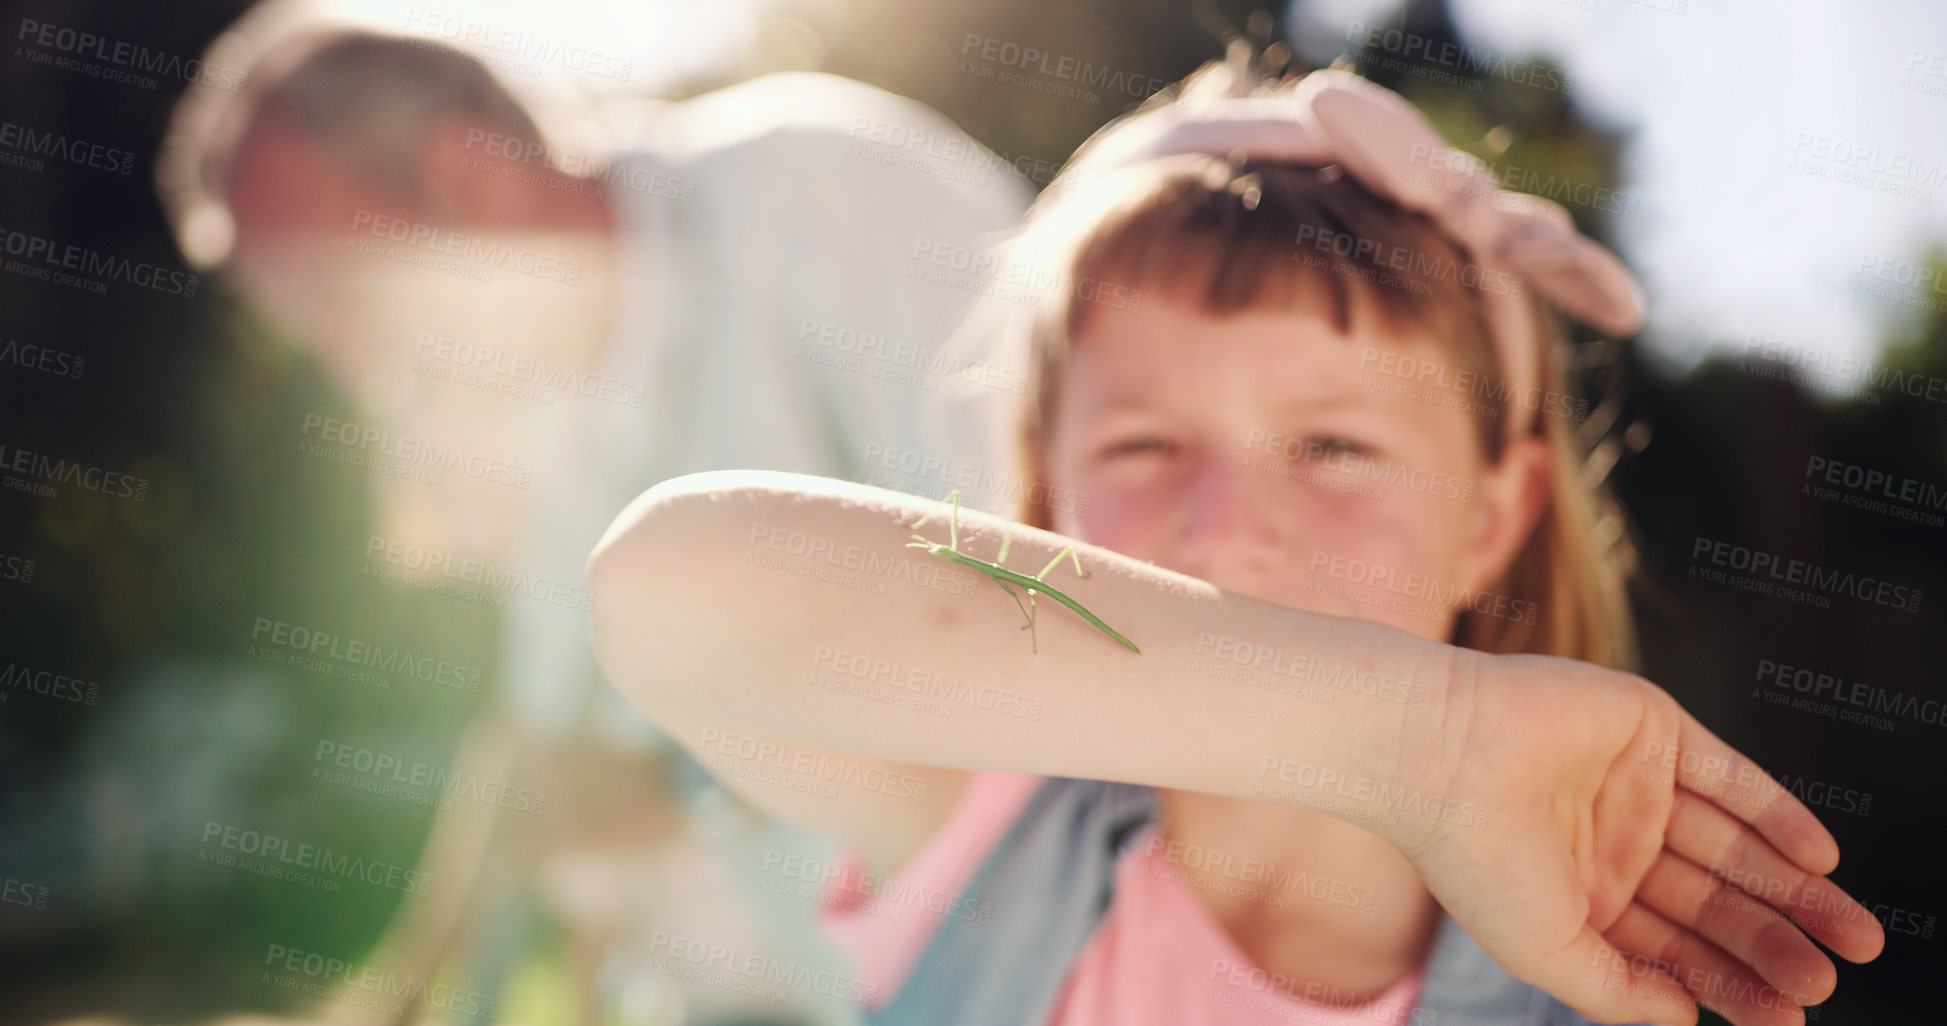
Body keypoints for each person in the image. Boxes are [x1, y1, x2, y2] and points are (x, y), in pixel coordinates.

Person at [585, 59, 1887, 1026]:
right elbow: (665, 588)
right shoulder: (982, 830)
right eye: (1144, 446)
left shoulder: (1575, 978)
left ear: (1490, 520)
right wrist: (1416, 740)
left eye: (1332, 449)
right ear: (1039, 507)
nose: (1228, 524)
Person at [158, 12, 1031, 1023]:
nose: (357, 375)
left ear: (466, 178)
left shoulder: (823, 195)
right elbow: (541, 766)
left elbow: (1046, 602)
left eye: (340, 301)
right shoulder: (542, 429)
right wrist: (394, 995)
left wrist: (678, 788)